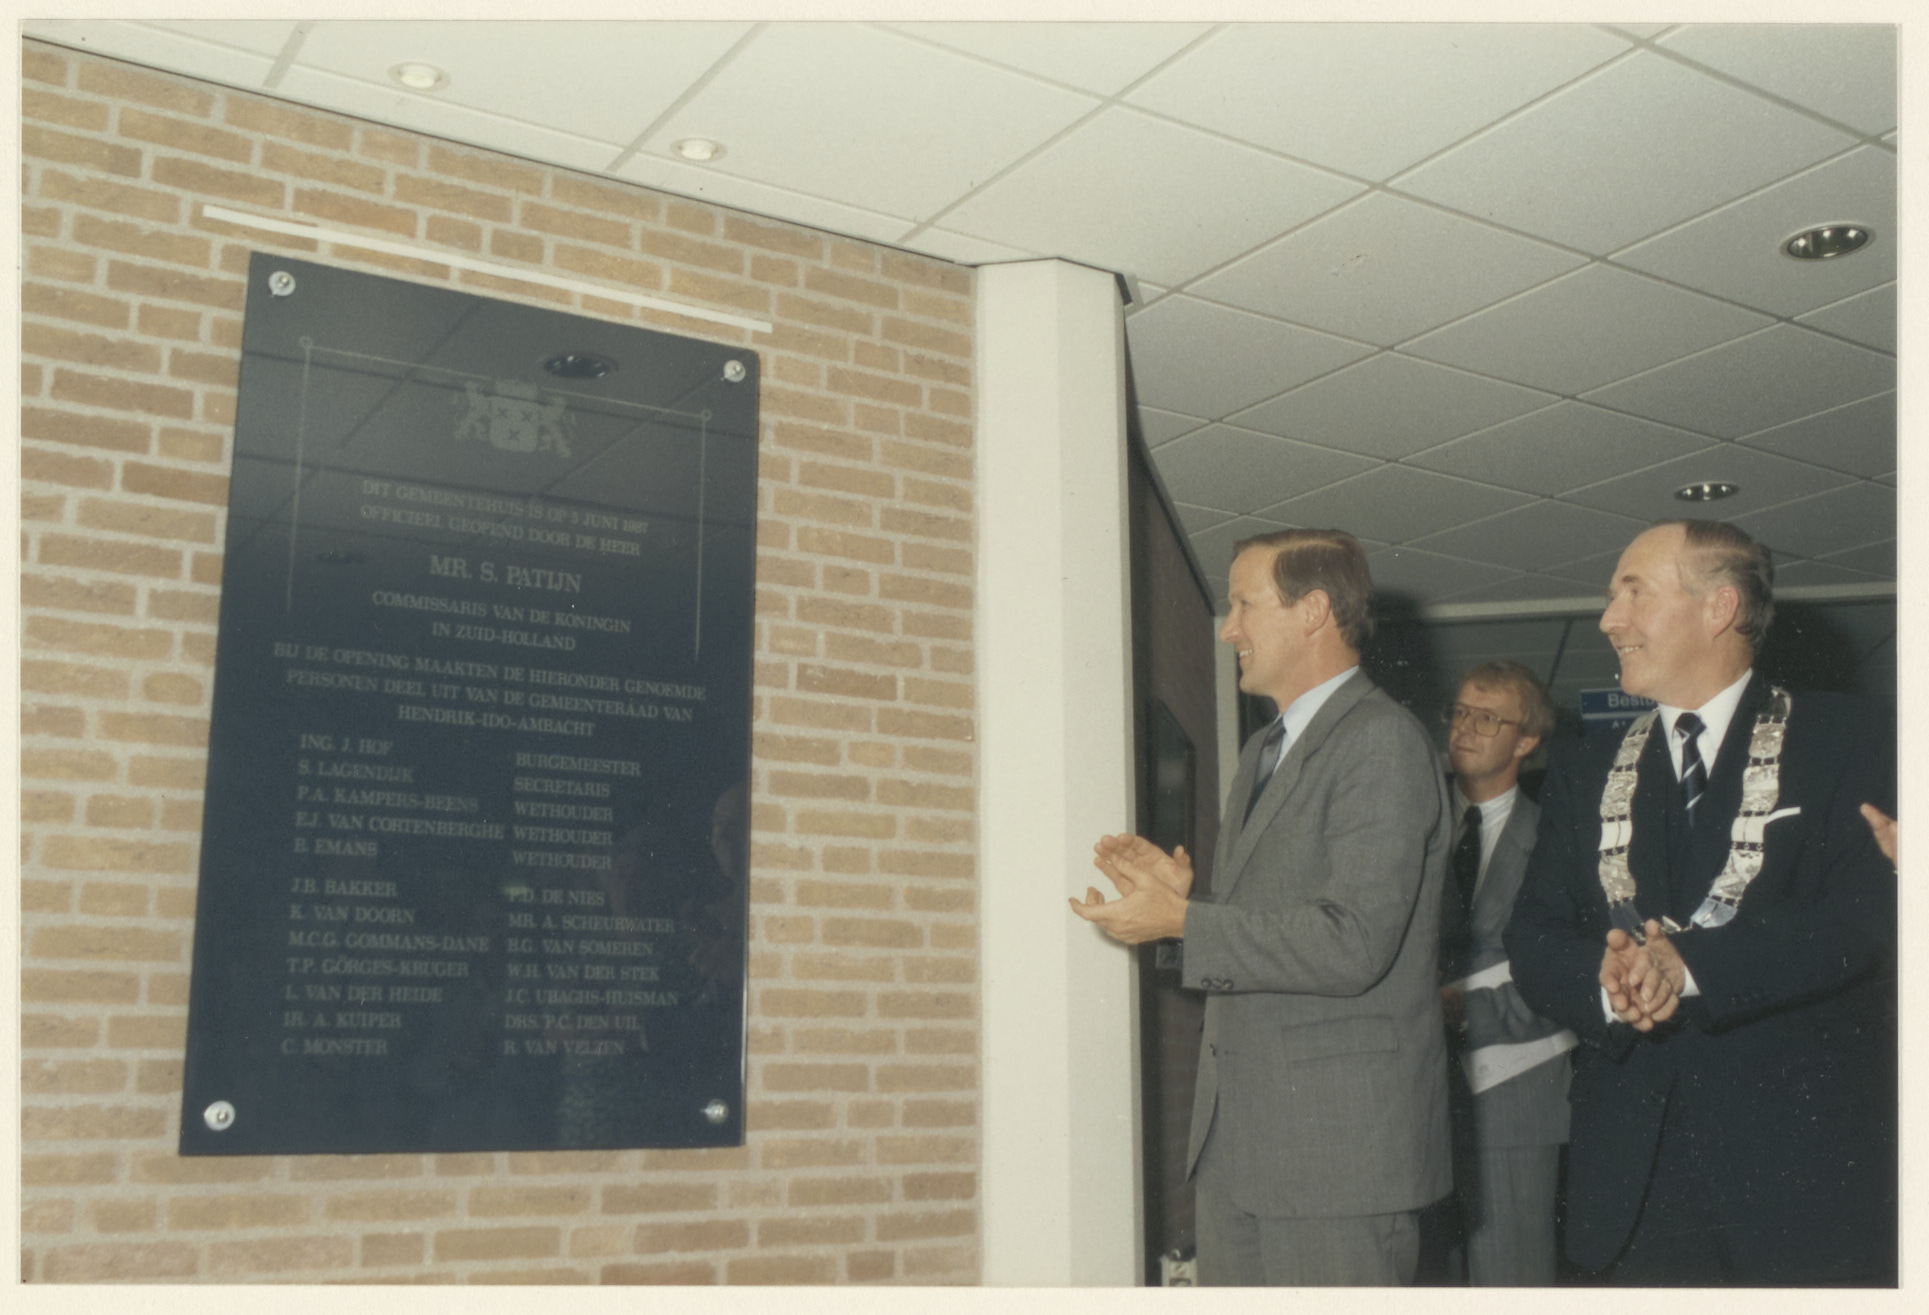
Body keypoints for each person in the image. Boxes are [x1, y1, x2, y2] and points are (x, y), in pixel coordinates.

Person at [1504, 520, 1897, 1285]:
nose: (1608, 618)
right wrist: (1608, 983)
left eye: (1633, 592)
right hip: (1631, 1184)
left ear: (1719, 607)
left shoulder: (1853, 737)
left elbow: (1859, 919)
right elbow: (1533, 932)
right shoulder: (1584, 768)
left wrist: (1687, 967)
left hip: (1800, 1181)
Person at [1071, 528, 1451, 1286]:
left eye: (1245, 604)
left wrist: (1187, 922)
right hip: (1241, 1148)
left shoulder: (1380, 740)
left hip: (1336, 1158)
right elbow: (1281, 926)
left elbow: (1353, 943)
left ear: (1313, 611)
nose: (1228, 629)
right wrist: (1184, 906)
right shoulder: (1261, 753)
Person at [1435, 661, 1574, 1286]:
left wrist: (1463, 1011)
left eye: (1488, 718)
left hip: (1514, 1103)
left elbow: (1566, 978)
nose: (1465, 727)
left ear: (1527, 740)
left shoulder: (1557, 843)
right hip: (1415, 1098)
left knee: (1509, 1279)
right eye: (1461, 712)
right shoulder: (1410, 826)